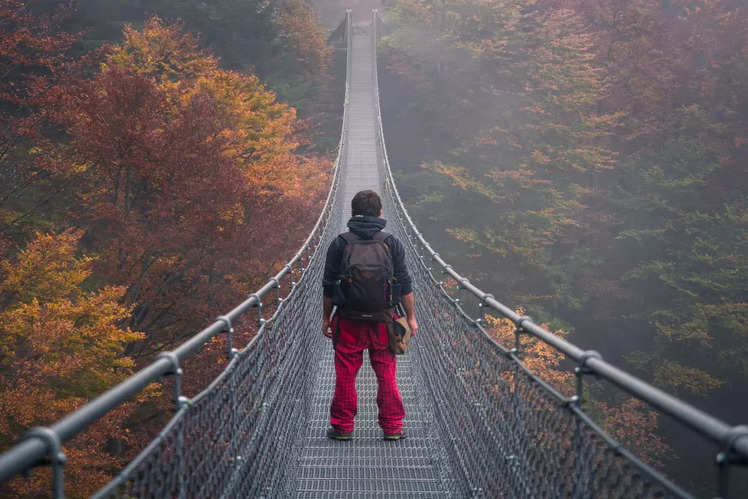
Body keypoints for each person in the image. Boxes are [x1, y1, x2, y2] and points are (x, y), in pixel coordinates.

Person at [322, 190, 418, 441]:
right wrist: (410, 318)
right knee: (387, 373)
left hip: (348, 319)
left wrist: (326, 318)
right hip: (386, 320)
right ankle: (393, 427)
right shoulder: (391, 242)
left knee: (345, 374)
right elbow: (405, 284)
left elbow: (329, 285)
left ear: (352, 213)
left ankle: (342, 427)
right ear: (380, 213)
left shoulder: (340, 243)